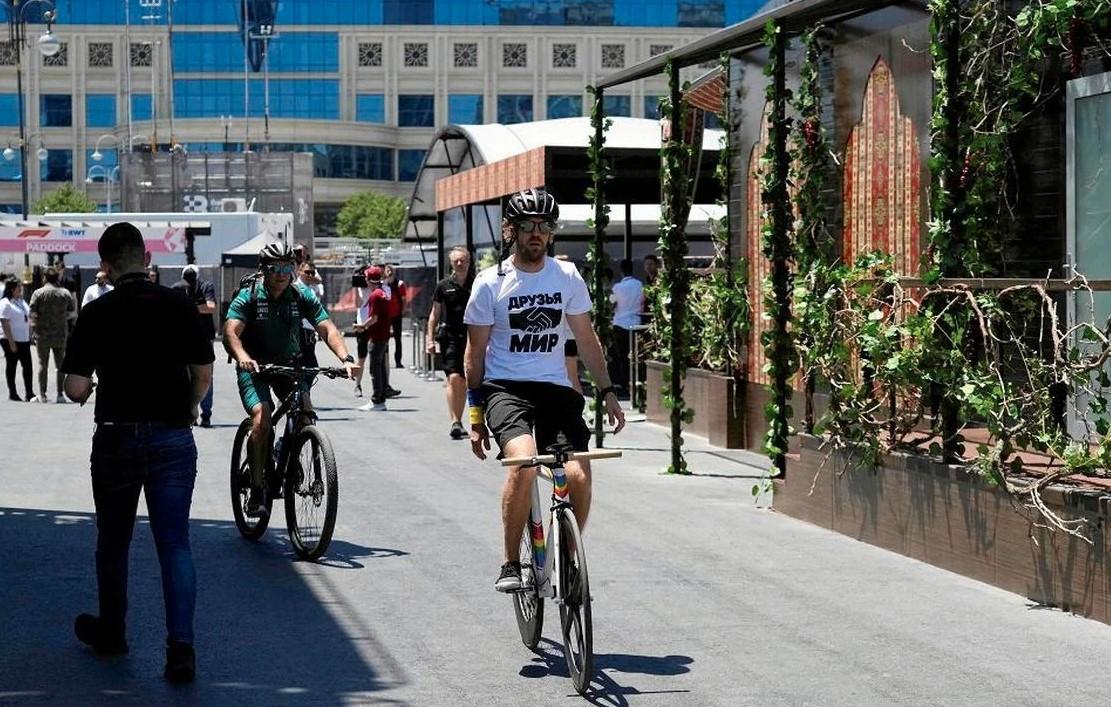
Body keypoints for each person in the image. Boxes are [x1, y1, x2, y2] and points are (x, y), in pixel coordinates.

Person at [61, 221, 214, 683]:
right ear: (147, 259)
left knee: (113, 540)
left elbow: (74, 387)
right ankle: (181, 649)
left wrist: (90, 386)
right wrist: (186, 407)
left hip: (115, 437)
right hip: (172, 437)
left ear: (104, 266)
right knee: (174, 543)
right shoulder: (179, 305)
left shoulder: (96, 312)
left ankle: (112, 632)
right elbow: (204, 374)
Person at [463, 188, 625, 592]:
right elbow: (475, 352)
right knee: (525, 462)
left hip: (554, 388)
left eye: (544, 226)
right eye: (528, 226)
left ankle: (569, 555)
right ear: (511, 231)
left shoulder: (566, 276)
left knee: (578, 473)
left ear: (552, 233)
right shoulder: (489, 283)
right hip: (505, 389)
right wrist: (475, 415)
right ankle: (510, 562)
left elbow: (587, 340)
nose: (537, 233)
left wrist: (606, 391)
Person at [223, 242, 358, 518]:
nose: (283, 274)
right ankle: (258, 487)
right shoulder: (249, 296)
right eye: (276, 268)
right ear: (264, 269)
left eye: (288, 267)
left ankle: (288, 449)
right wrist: (242, 356)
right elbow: (230, 332)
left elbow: (326, 327)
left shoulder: (300, 294)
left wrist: (346, 358)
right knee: (263, 417)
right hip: (255, 366)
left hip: (290, 364)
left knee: (305, 413)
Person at [427, 246, 473, 439]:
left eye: (463, 260)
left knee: (468, 381)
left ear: (469, 261)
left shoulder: (477, 283)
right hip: (450, 337)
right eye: (456, 261)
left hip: (472, 336)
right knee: (455, 379)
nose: (460, 264)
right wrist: (429, 340)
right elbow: (434, 314)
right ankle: (456, 421)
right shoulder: (444, 285)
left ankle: (472, 420)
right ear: (451, 263)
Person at [172, 265, 218, 427]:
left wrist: (190, 307)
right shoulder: (179, 287)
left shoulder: (206, 287)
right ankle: (190, 409)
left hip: (204, 336)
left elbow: (211, 307)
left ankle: (206, 414)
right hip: (183, 337)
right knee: (188, 375)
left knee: (206, 376)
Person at [29, 268, 77, 403]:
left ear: (44, 278)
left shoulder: (38, 293)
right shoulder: (64, 293)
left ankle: (43, 395)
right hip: (60, 334)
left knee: (42, 364)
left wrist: (34, 329)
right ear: (57, 278)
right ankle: (60, 394)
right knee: (60, 365)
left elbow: (33, 314)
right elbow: (72, 311)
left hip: (42, 334)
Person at [356, 266, 391, 411]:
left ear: (368, 279)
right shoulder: (383, 292)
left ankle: (377, 400)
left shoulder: (375, 295)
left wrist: (362, 326)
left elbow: (374, 318)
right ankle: (381, 398)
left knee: (375, 369)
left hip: (376, 336)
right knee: (381, 367)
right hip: (383, 335)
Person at [609, 259, 644, 396]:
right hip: (636, 323)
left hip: (620, 323)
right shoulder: (639, 285)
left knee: (622, 356)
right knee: (636, 356)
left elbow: (612, 303)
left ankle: (624, 384)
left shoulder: (617, 287)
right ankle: (636, 382)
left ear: (621, 271)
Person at [1, 280, 33, 402]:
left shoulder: (21, 301)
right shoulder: (5, 303)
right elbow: (4, 323)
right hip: (11, 340)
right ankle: (12, 392)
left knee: (28, 367)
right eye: (18, 288)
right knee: (12, 366)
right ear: (11, 289)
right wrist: (11, 342)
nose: (20, 290)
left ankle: (29, 393)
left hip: (24, 339)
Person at [384, 264, 407, 369]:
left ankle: (398, 361)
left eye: (391, 270)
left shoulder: (400, 284)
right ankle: (385, 359)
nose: (390, 272)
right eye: (388, 270)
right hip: (385, 315)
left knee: (398, 339)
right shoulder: (383, 285)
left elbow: (403, 300)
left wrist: (402, 311)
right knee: (385, 338)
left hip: (397, 314)